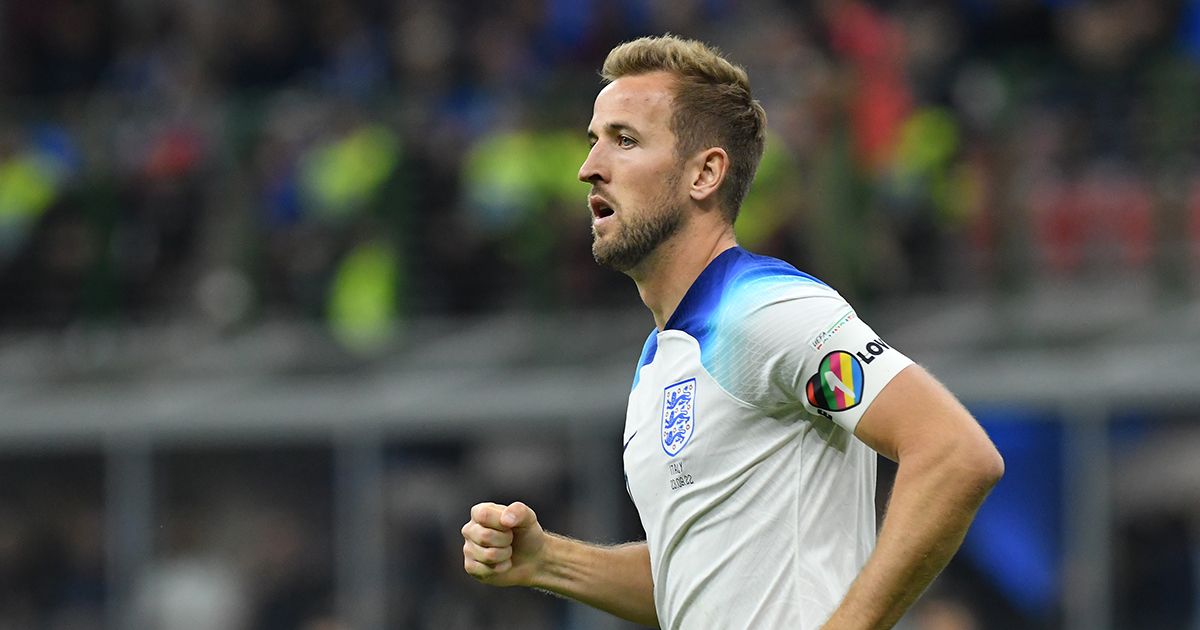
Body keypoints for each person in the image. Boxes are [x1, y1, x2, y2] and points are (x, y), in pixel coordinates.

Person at [461, 34, 1004, 629]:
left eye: (625, 140)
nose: (590, 168)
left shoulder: (766, 309)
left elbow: (953, 452)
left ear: (705, 174)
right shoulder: (663, 358)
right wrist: (548, 562)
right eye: (595, 141)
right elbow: (694, 582)